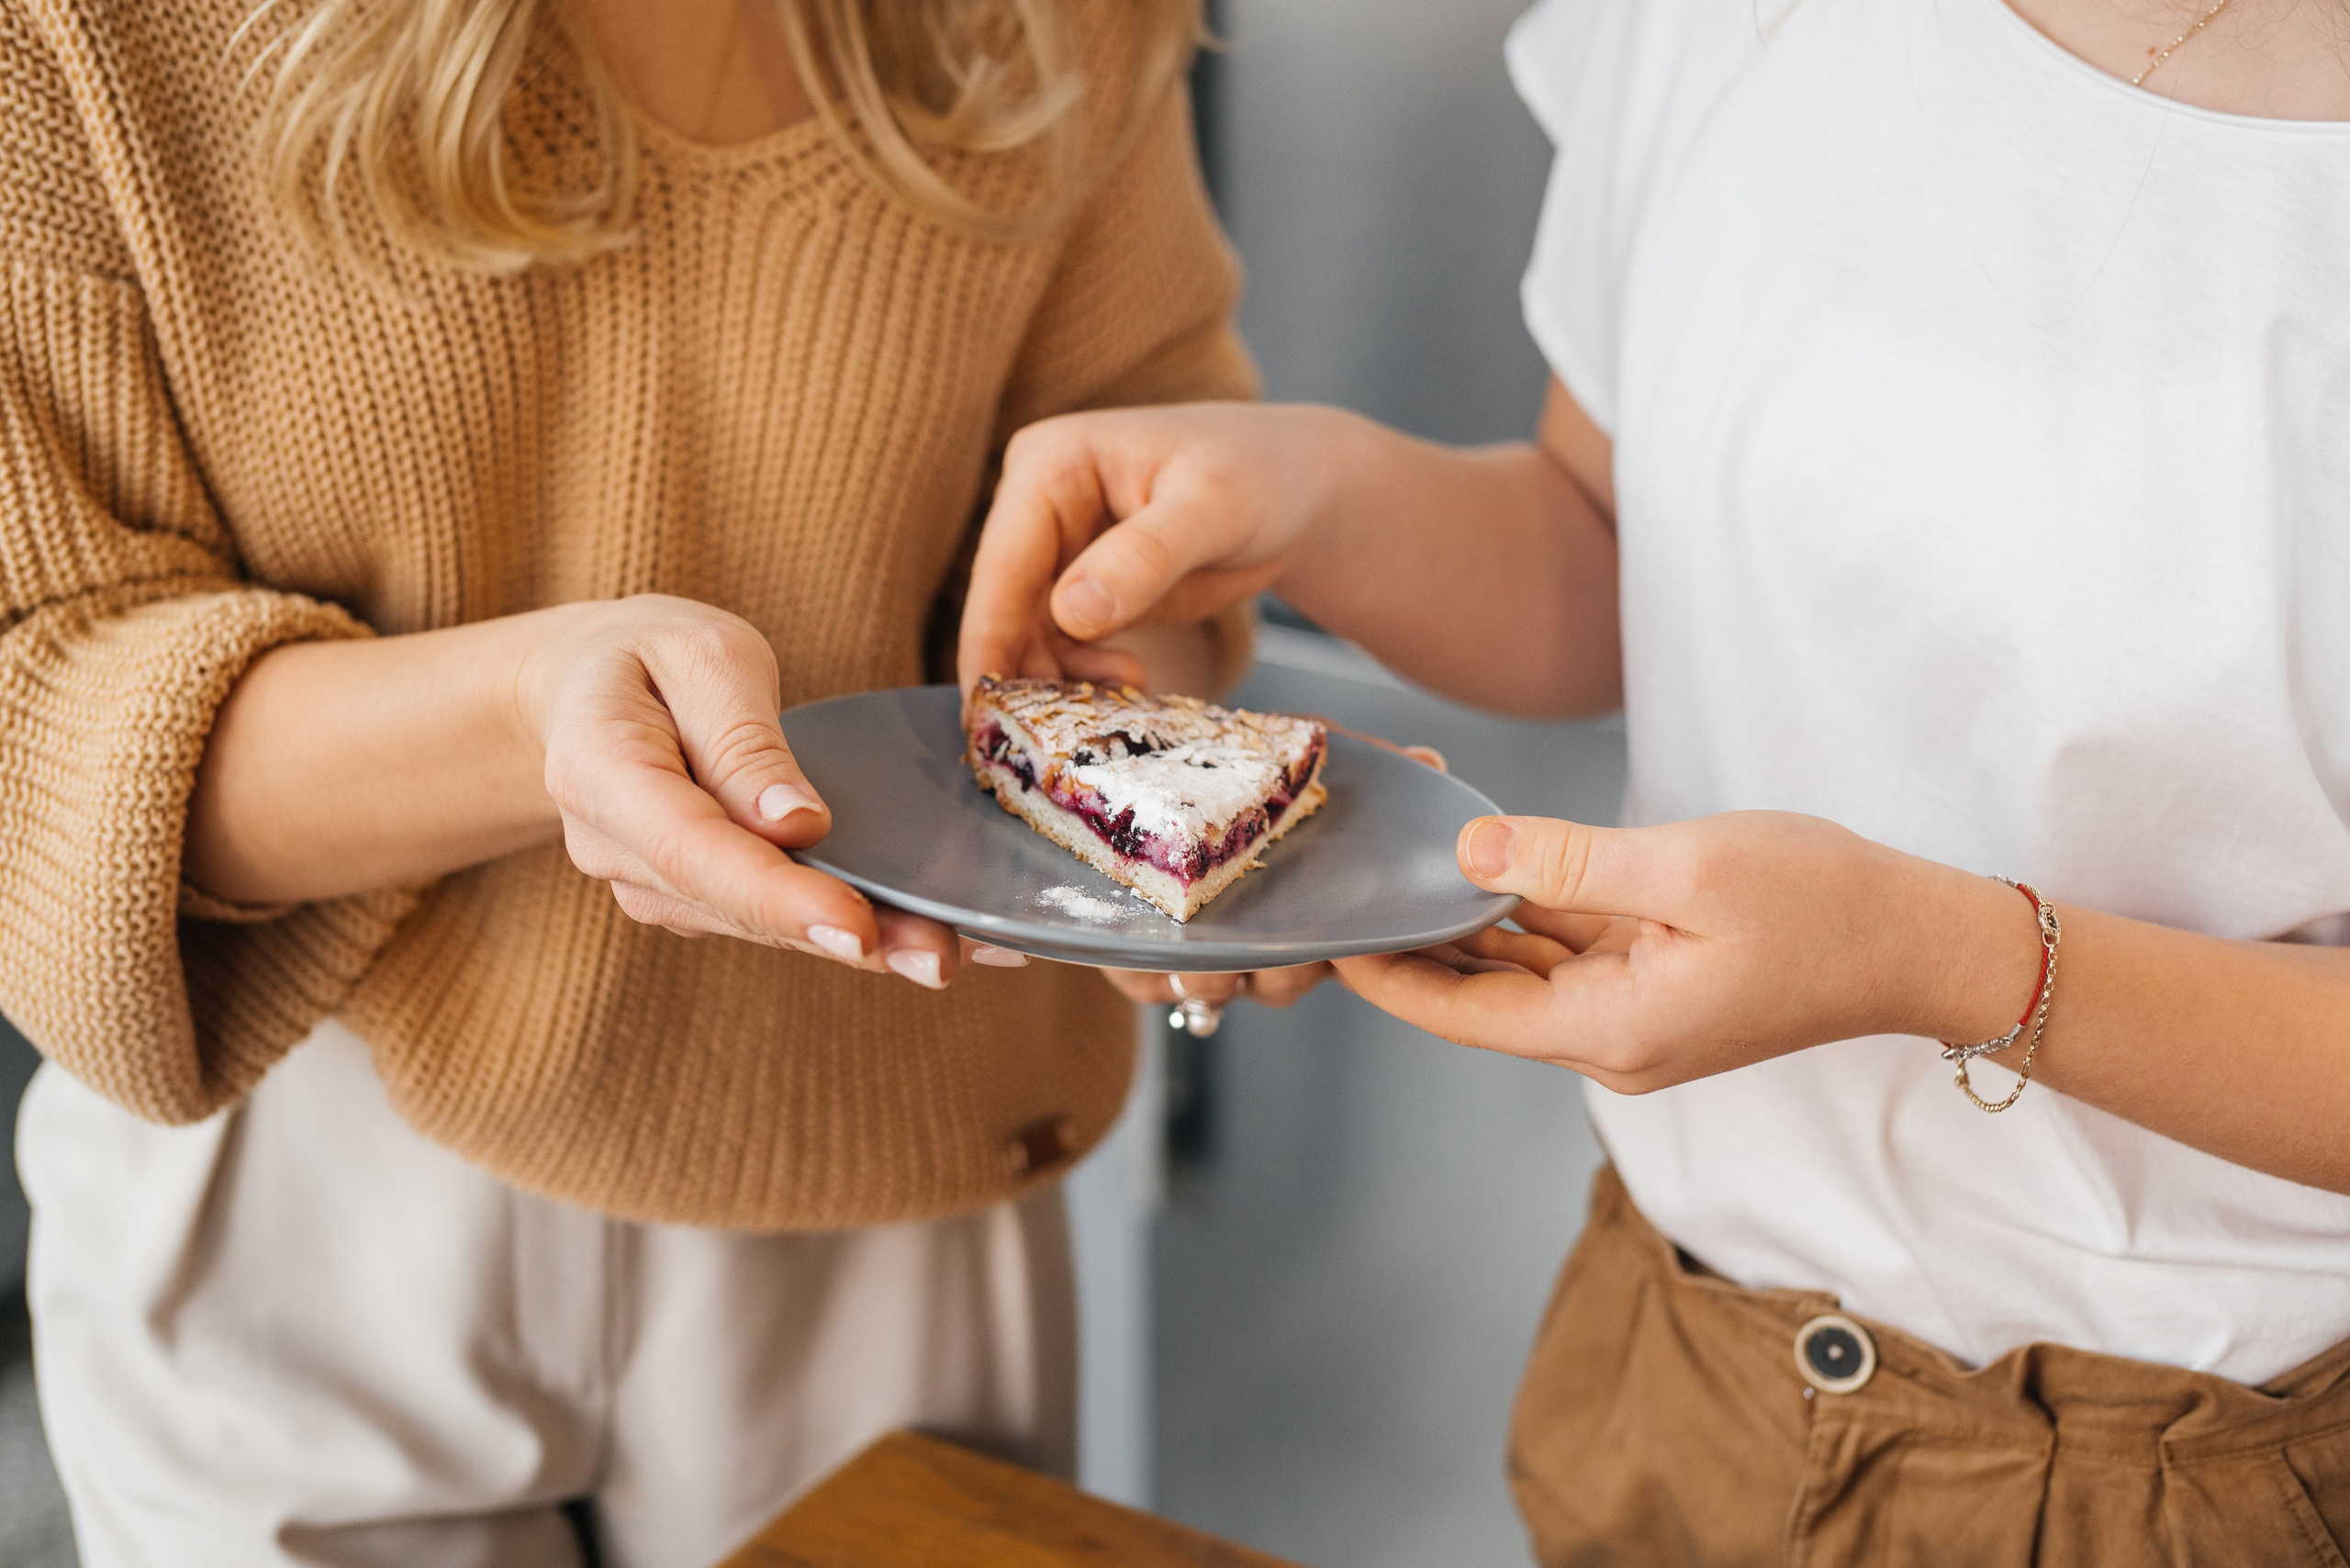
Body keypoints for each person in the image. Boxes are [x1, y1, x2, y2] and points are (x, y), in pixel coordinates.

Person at [958, 0, 2350, 1559]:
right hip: (1675, 1354)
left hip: (2218, 1471)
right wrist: (1311, 498)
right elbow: (1606, 541)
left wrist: (1938, 959)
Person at [0, 0, 1253, 1562]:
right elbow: (34, 677)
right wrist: (536, 715)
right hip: (298, 1154)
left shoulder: (1055, 25)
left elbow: (1156, 512)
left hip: (891, 1127)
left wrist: (1141, 761)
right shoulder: (80, 42)